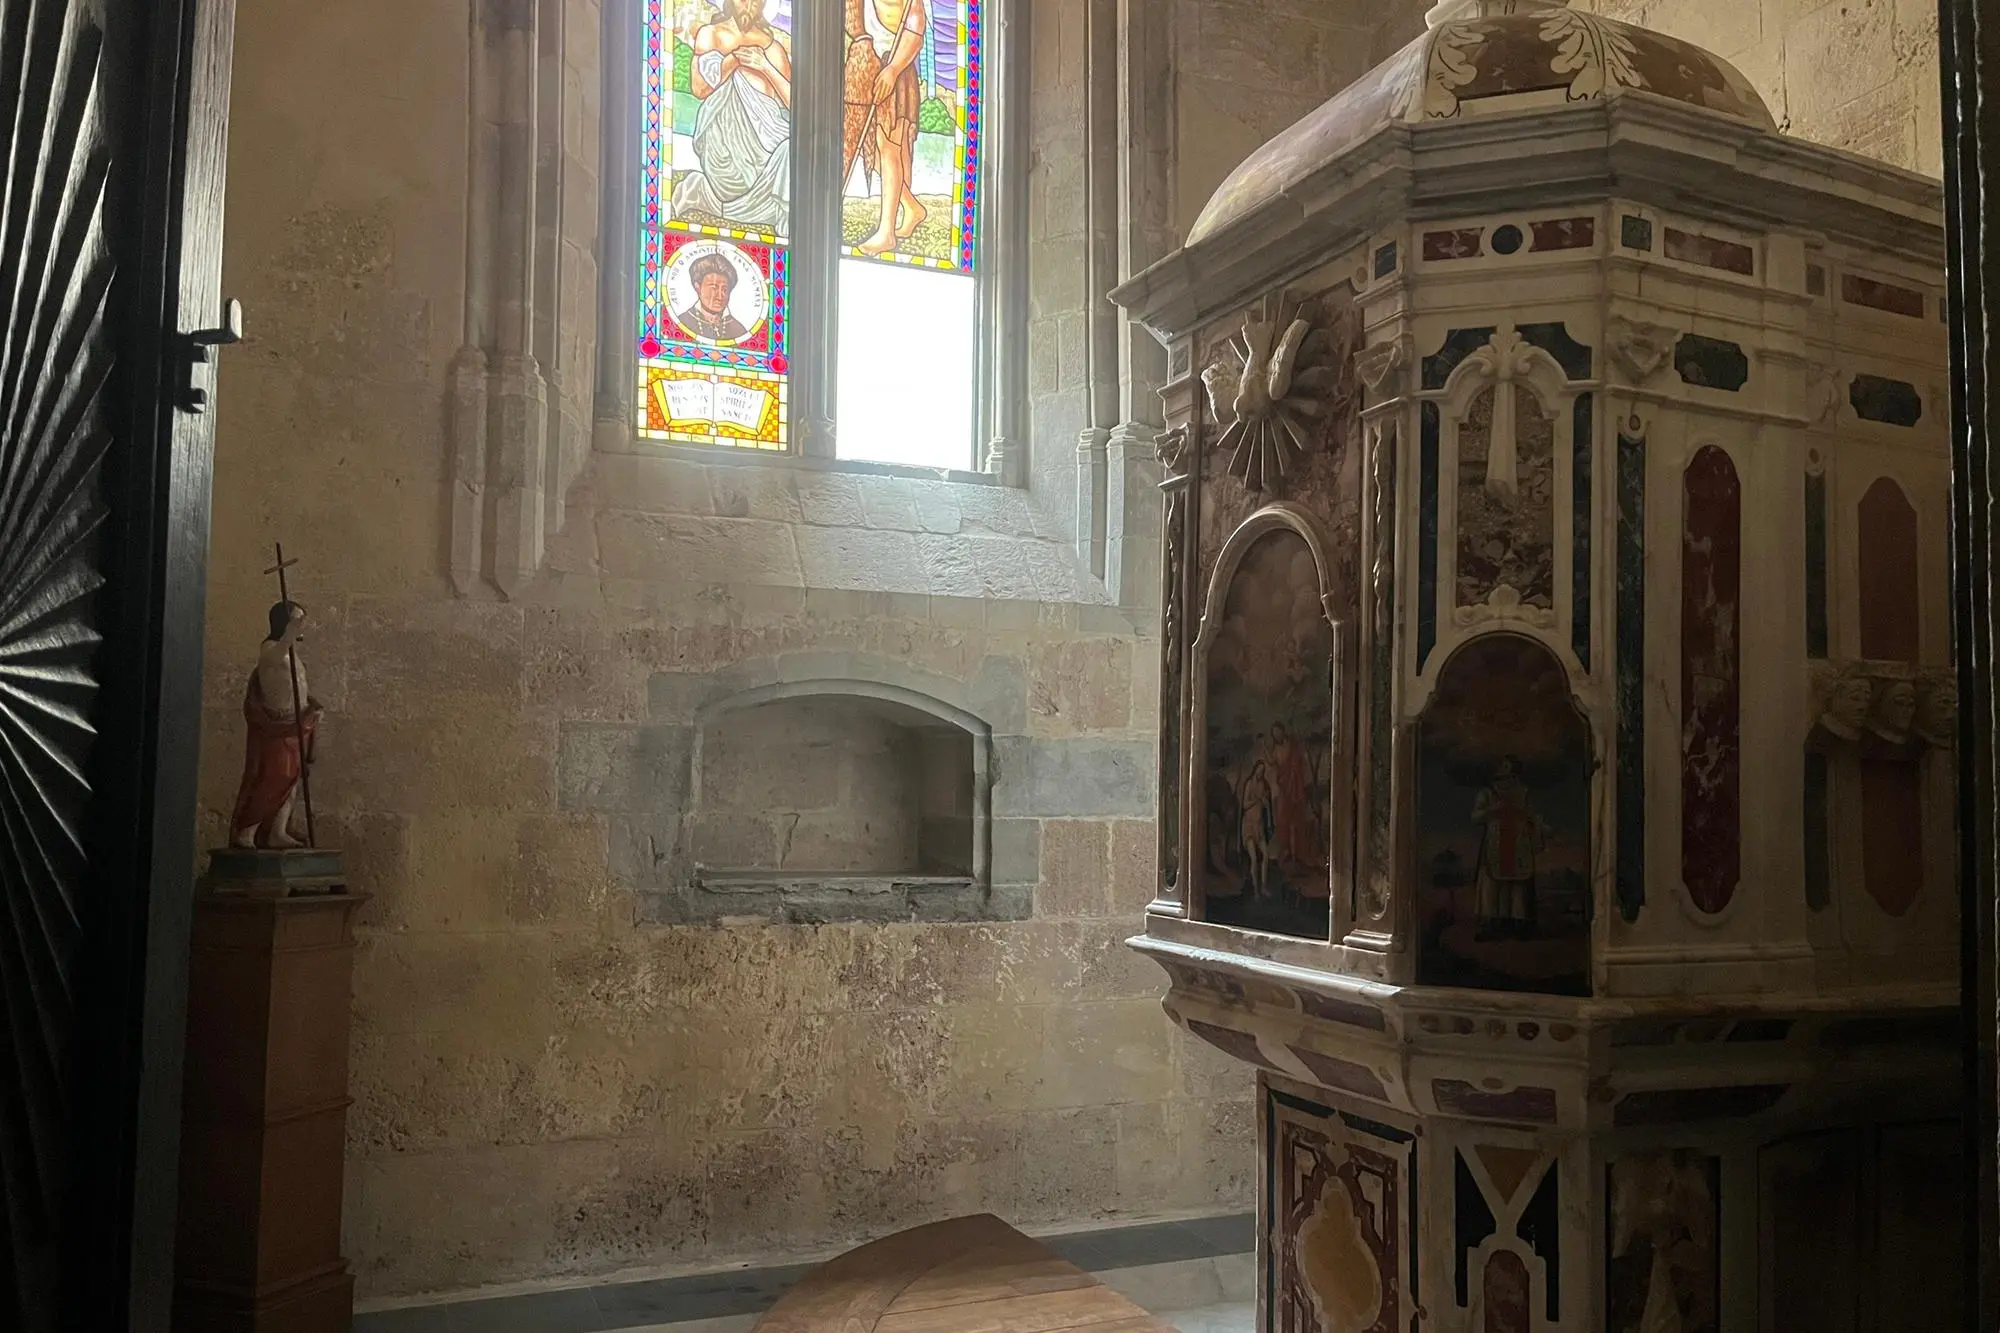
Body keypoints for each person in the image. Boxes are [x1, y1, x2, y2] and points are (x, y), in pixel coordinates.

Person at [673, 0, 792, 232]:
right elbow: (700, 90)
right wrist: (734, 60)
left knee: (791, 150)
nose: (748, 5)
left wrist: (765, 67)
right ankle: (711, 193)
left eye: (756, 1)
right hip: (724, 151)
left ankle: (703, 194)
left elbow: (795, 105)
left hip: (768, 150)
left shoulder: (773, 49)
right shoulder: (711, 35)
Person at [230, 601, 323, 850]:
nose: (302, 625)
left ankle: (277, 831)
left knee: (292, 780)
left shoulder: (292, 653)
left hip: (296, 724)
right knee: (273, 778)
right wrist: (290, 633)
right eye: (296, 620)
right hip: (277, 726)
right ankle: (246, 831)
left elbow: (298, 687)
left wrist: (312, 708)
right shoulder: (270, 649)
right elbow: (279, 651)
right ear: (284, 624)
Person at [852, 0, 927, 255]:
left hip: (895, 72)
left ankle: (886, 232)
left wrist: (893, 70)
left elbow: (915, 33)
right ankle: (912, 206)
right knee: (870, 146)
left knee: (888, 147)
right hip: (869, 71)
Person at [1472, 756, 1543, 940]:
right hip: (1495, 845)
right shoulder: (1488, 794)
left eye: (1510, 775)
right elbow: (1476, 817)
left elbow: (1534, 816)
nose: (1507, 780)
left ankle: (1518, 924)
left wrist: (1538, 827)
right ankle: (1493, 925)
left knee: (1518, 889)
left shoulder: (1524, 793)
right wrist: (1493, 810)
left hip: (1519, 844)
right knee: (1492, 887)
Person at [675, 251, 750, 342]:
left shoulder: (739, 331)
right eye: (714, 288)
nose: (720, 296)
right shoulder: (682, 322)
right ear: (698, 287)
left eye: (725, 290)